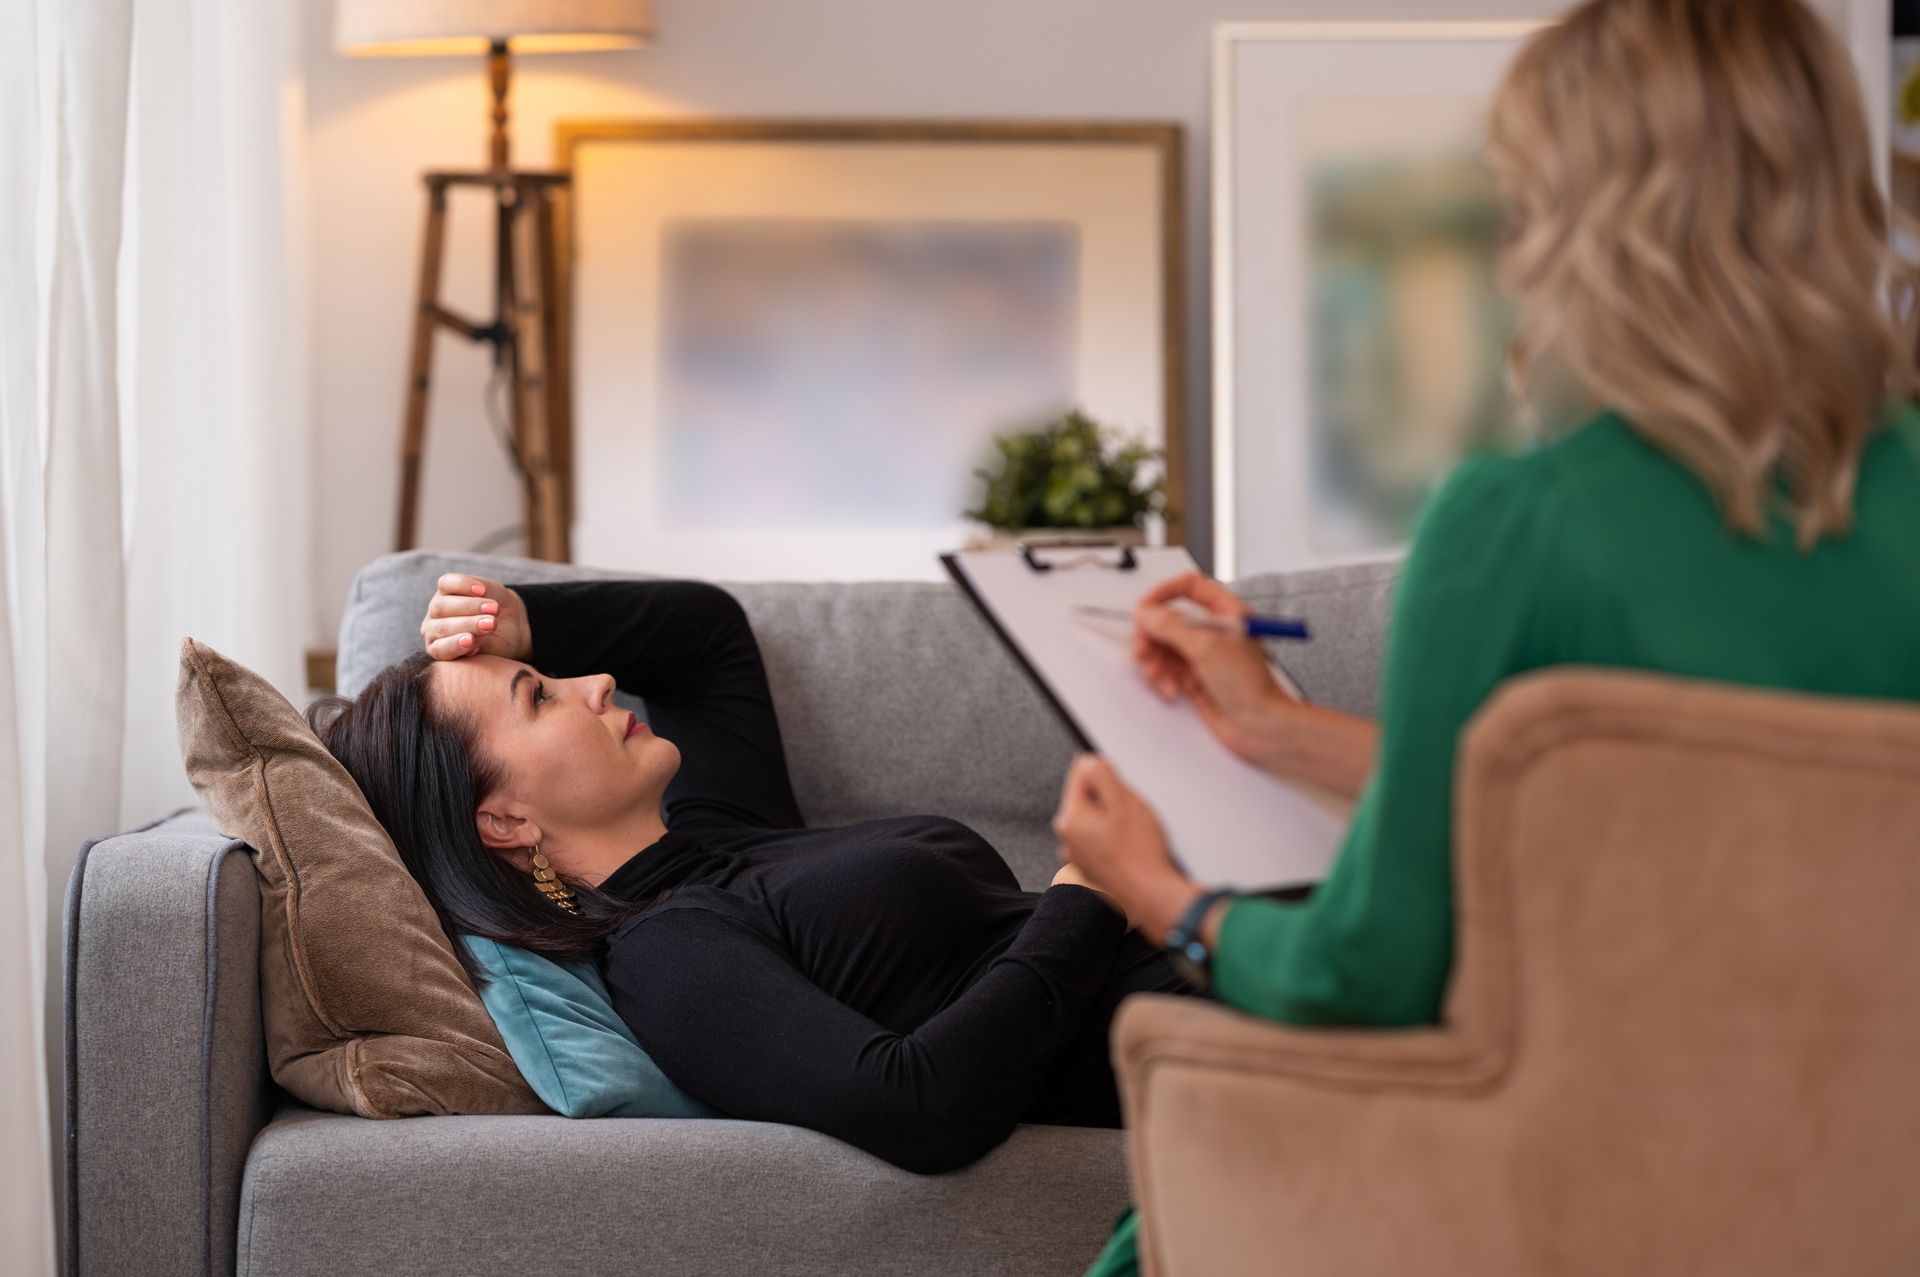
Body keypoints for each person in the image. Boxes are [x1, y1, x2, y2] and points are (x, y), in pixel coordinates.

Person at [1052, 1, 1920, 1272]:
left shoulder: (1522, 521)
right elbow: (1670, 807)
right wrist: (1279, 729)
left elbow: (1371, 973)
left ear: (1570, 222)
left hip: (1572, 1189)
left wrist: (1168, 898)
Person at [308, 572, 1210, 1174]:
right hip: (1224, 1026)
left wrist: (523, 622)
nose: (598, 683)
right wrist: (1089, 894)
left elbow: (706, 637)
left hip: (1229, 942)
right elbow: (920, 1106)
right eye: (538, 695)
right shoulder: (669, 954)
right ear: (504, 820)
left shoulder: (718, 834)